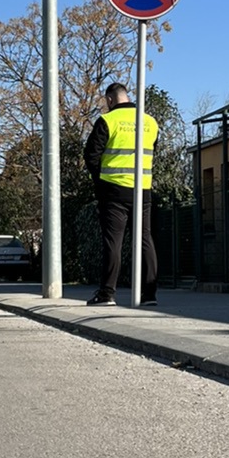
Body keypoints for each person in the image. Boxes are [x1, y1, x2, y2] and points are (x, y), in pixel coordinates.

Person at [84, 82, 159, 307]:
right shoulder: (150, 122)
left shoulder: (107, 121)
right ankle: (150, 294)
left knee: (113, 242)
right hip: (143, 189)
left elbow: (91, 156)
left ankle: (107, 294)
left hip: (114, 190)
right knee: (145, 239)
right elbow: (154, 151)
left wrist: (100, 182)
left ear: (109, 100)